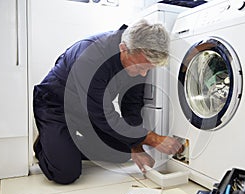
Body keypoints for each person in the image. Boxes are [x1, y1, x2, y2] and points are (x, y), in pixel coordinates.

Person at [33, 19, 183, 185]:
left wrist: (136, 146)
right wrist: (153, 139)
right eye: (140, 67)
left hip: (88, 114)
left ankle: (67, 144)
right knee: (65, 173)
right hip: (55, 106)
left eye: (148, 69)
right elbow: (102, 114)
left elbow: (131, 105)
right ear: (123, 49)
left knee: (123, 152)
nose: (143, 74)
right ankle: (46, 144)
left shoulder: (138, 58)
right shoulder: (90, 55)